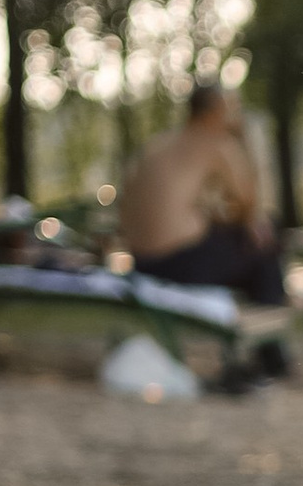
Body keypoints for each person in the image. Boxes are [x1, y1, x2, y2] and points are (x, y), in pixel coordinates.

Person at [115, 83, 290, 314]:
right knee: (266, 243)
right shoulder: (214, 141)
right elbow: (250, 205)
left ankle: (262, 333)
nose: (235, 115)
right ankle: (269, 335)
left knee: (243, 244)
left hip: (142, 264)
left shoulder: (158, 144)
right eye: (231, 108)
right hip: (179, 264)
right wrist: (243, 138)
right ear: (215, 111)